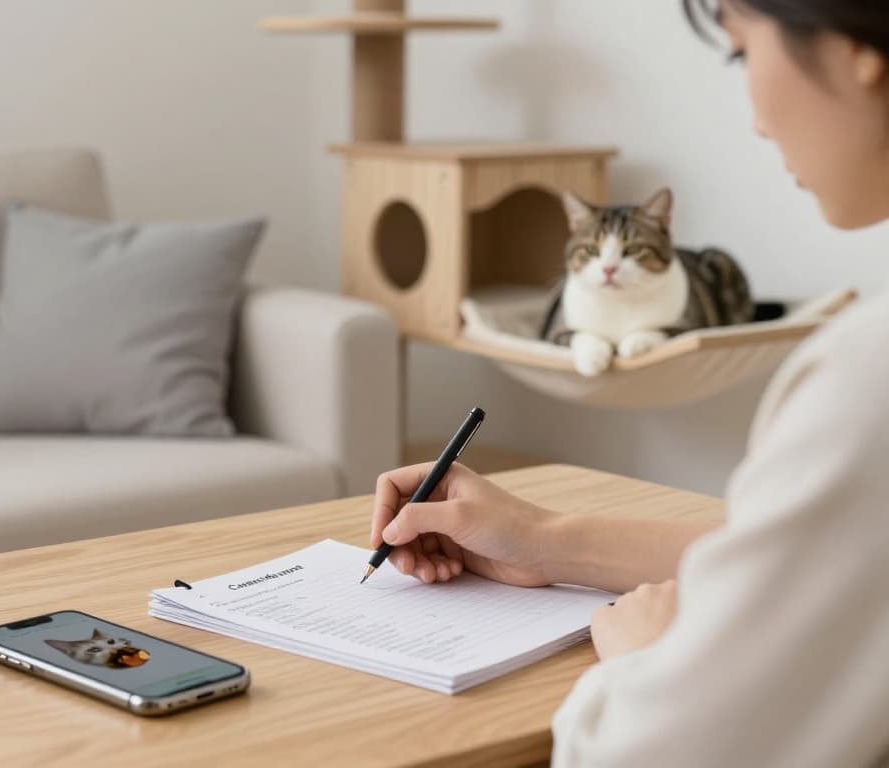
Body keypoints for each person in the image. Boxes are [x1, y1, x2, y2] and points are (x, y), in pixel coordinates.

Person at [369, 1, 889, 764]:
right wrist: (546, 540)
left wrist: (645, 657)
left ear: (856, 49)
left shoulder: (864, 376)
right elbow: (834, 561)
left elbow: (651, 751)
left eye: (742, 54)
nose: (757, 123)